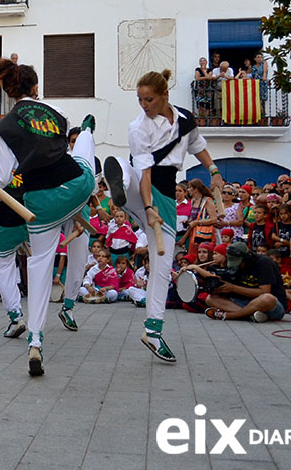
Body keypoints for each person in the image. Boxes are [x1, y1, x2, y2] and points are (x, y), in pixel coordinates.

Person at [0, 57, 95, 375]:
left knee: (39, 266)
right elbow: (55, 146)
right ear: (36, 88)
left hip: (40, 202)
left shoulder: (4, 127)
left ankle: (35, 341)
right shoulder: (58, 115)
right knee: (83, 150)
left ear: (9, 92)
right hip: (75, 184)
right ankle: (88, 130)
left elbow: (4, 178)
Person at [104, 69, 223, 363]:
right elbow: (146, 172)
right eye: (140, 99)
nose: (143, 105)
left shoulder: (185, 119)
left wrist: (215, 172)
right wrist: (148, 209)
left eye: (149, 99)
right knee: (127, 170)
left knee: (161, 265)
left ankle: (153, 332)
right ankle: (111, 181)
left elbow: (198, 146)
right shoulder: (138, 127)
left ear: (165, 96)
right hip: (145, 185)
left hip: (169, 192)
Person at [205, 242, 287, 322]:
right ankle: (250, 315)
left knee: (267, 298)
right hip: (245, 302)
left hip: (271, 305)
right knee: (210, 299)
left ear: (246, 258)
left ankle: (229, 315)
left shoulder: (263, 262)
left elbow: (264, 291)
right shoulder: (233, 266)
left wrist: (233, 288)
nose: (238, 266)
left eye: (239, 263)